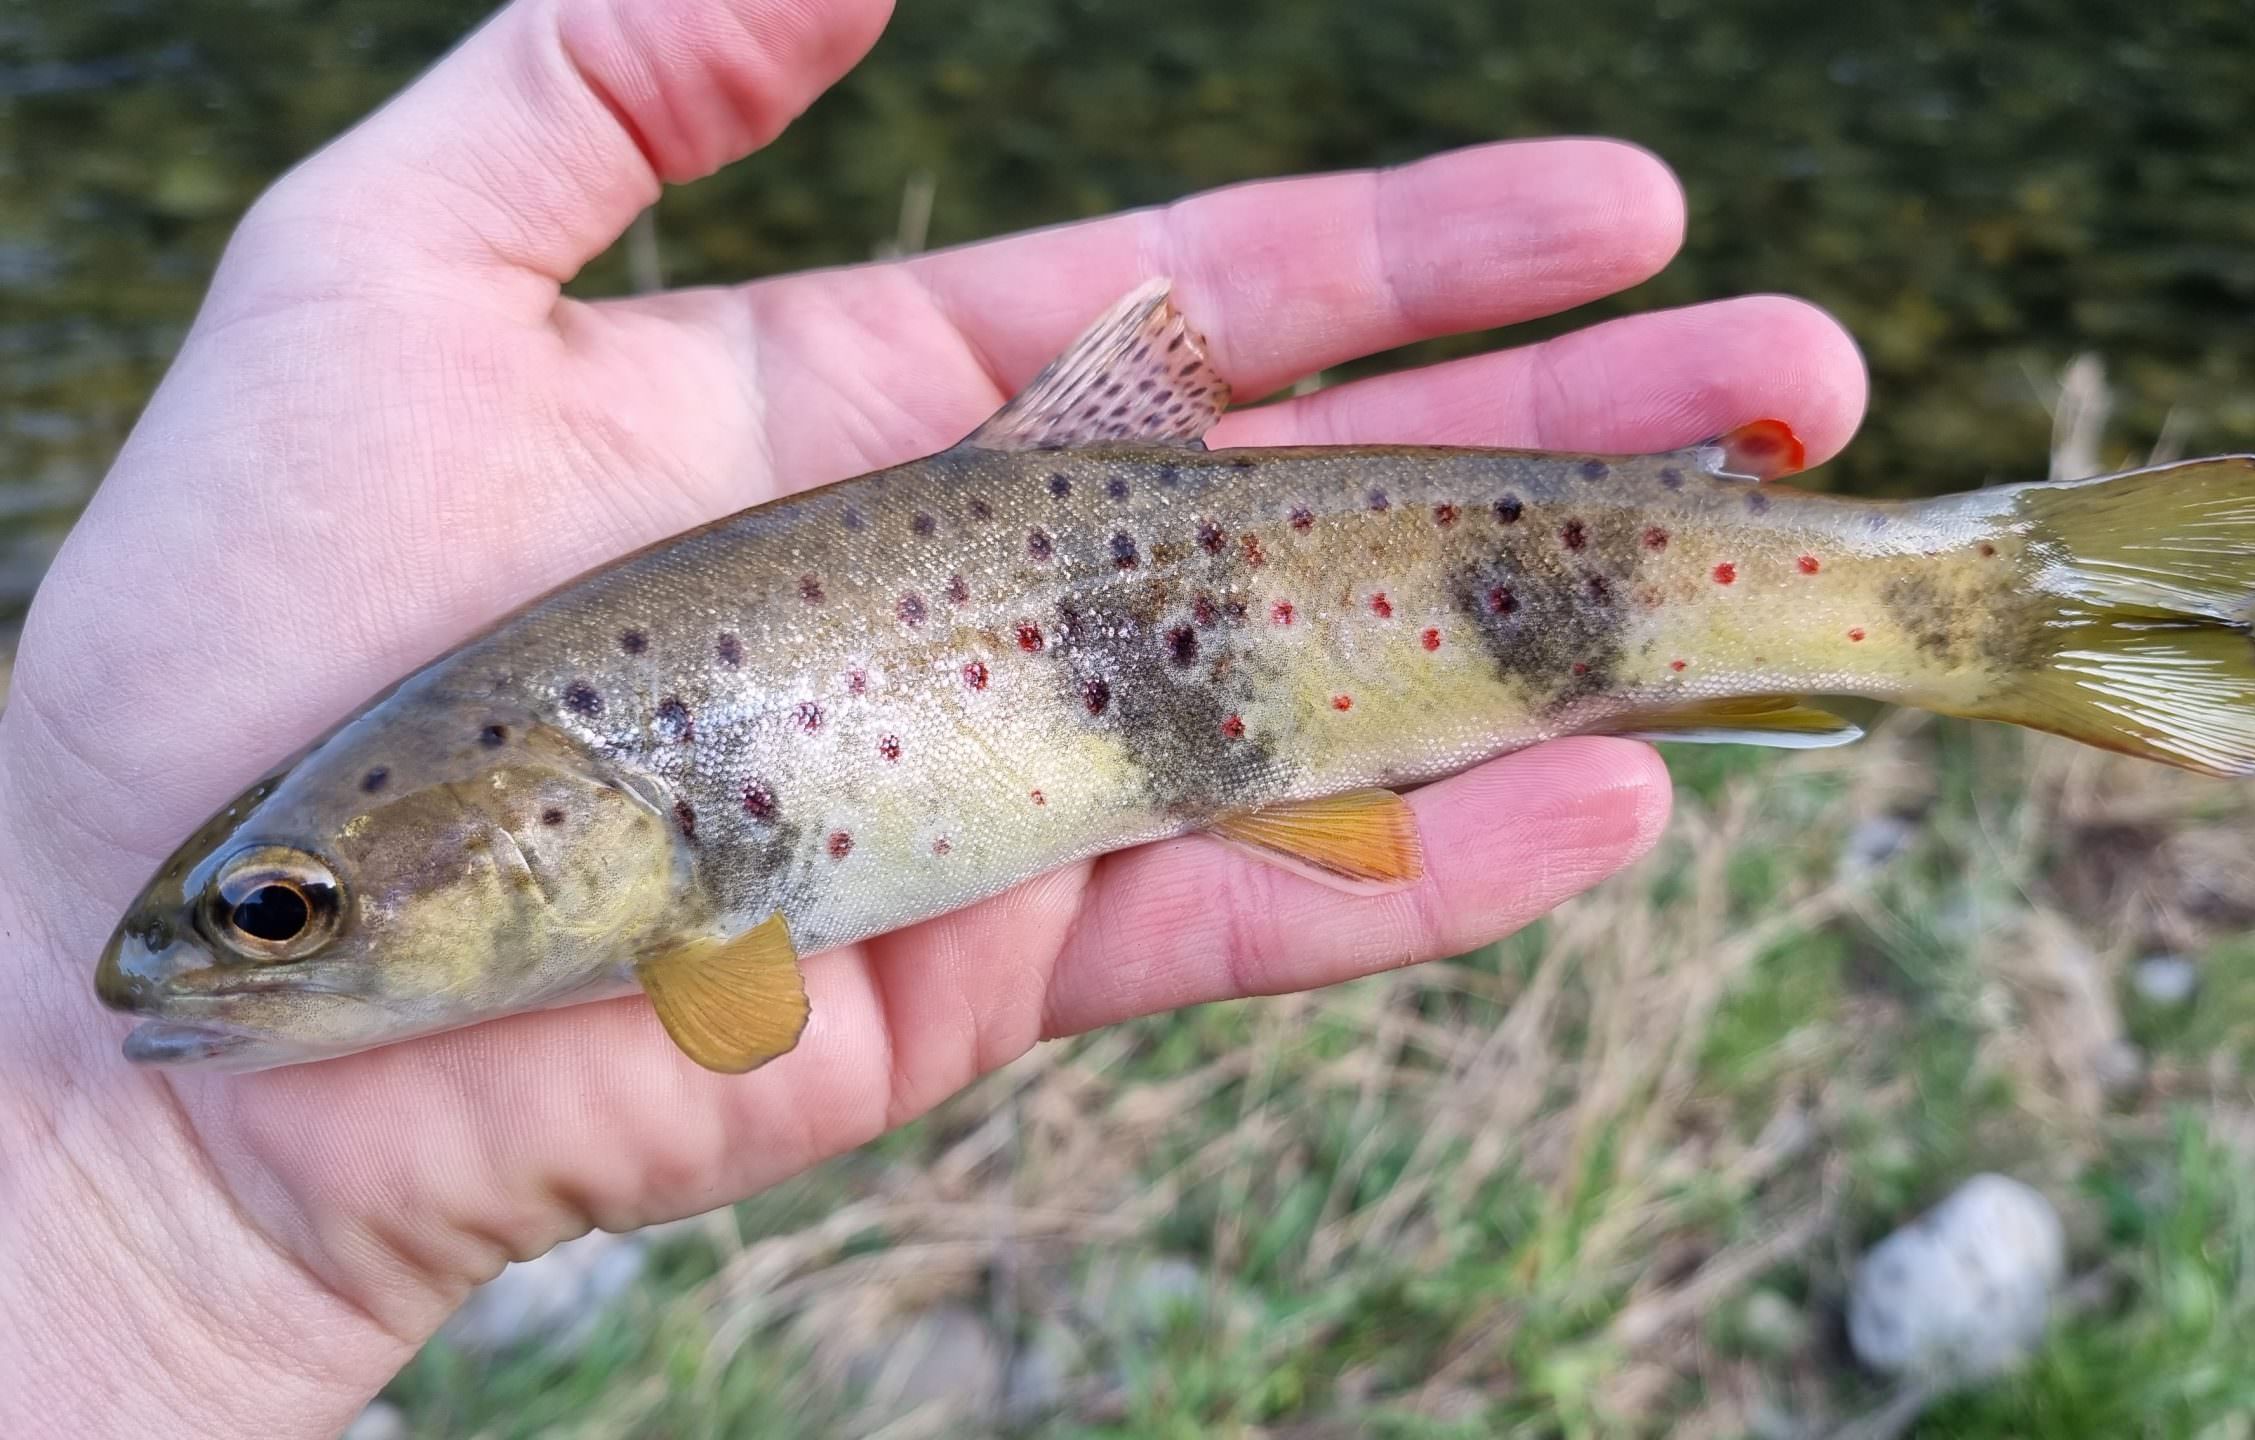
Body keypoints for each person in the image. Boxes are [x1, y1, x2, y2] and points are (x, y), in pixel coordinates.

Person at [0, 0, 1867, 1431]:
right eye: (278, 910)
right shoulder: (535, 794)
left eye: (281, 913)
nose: (242, 946)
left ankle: (1912, 600)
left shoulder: (575, 790)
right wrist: (138, 1240)